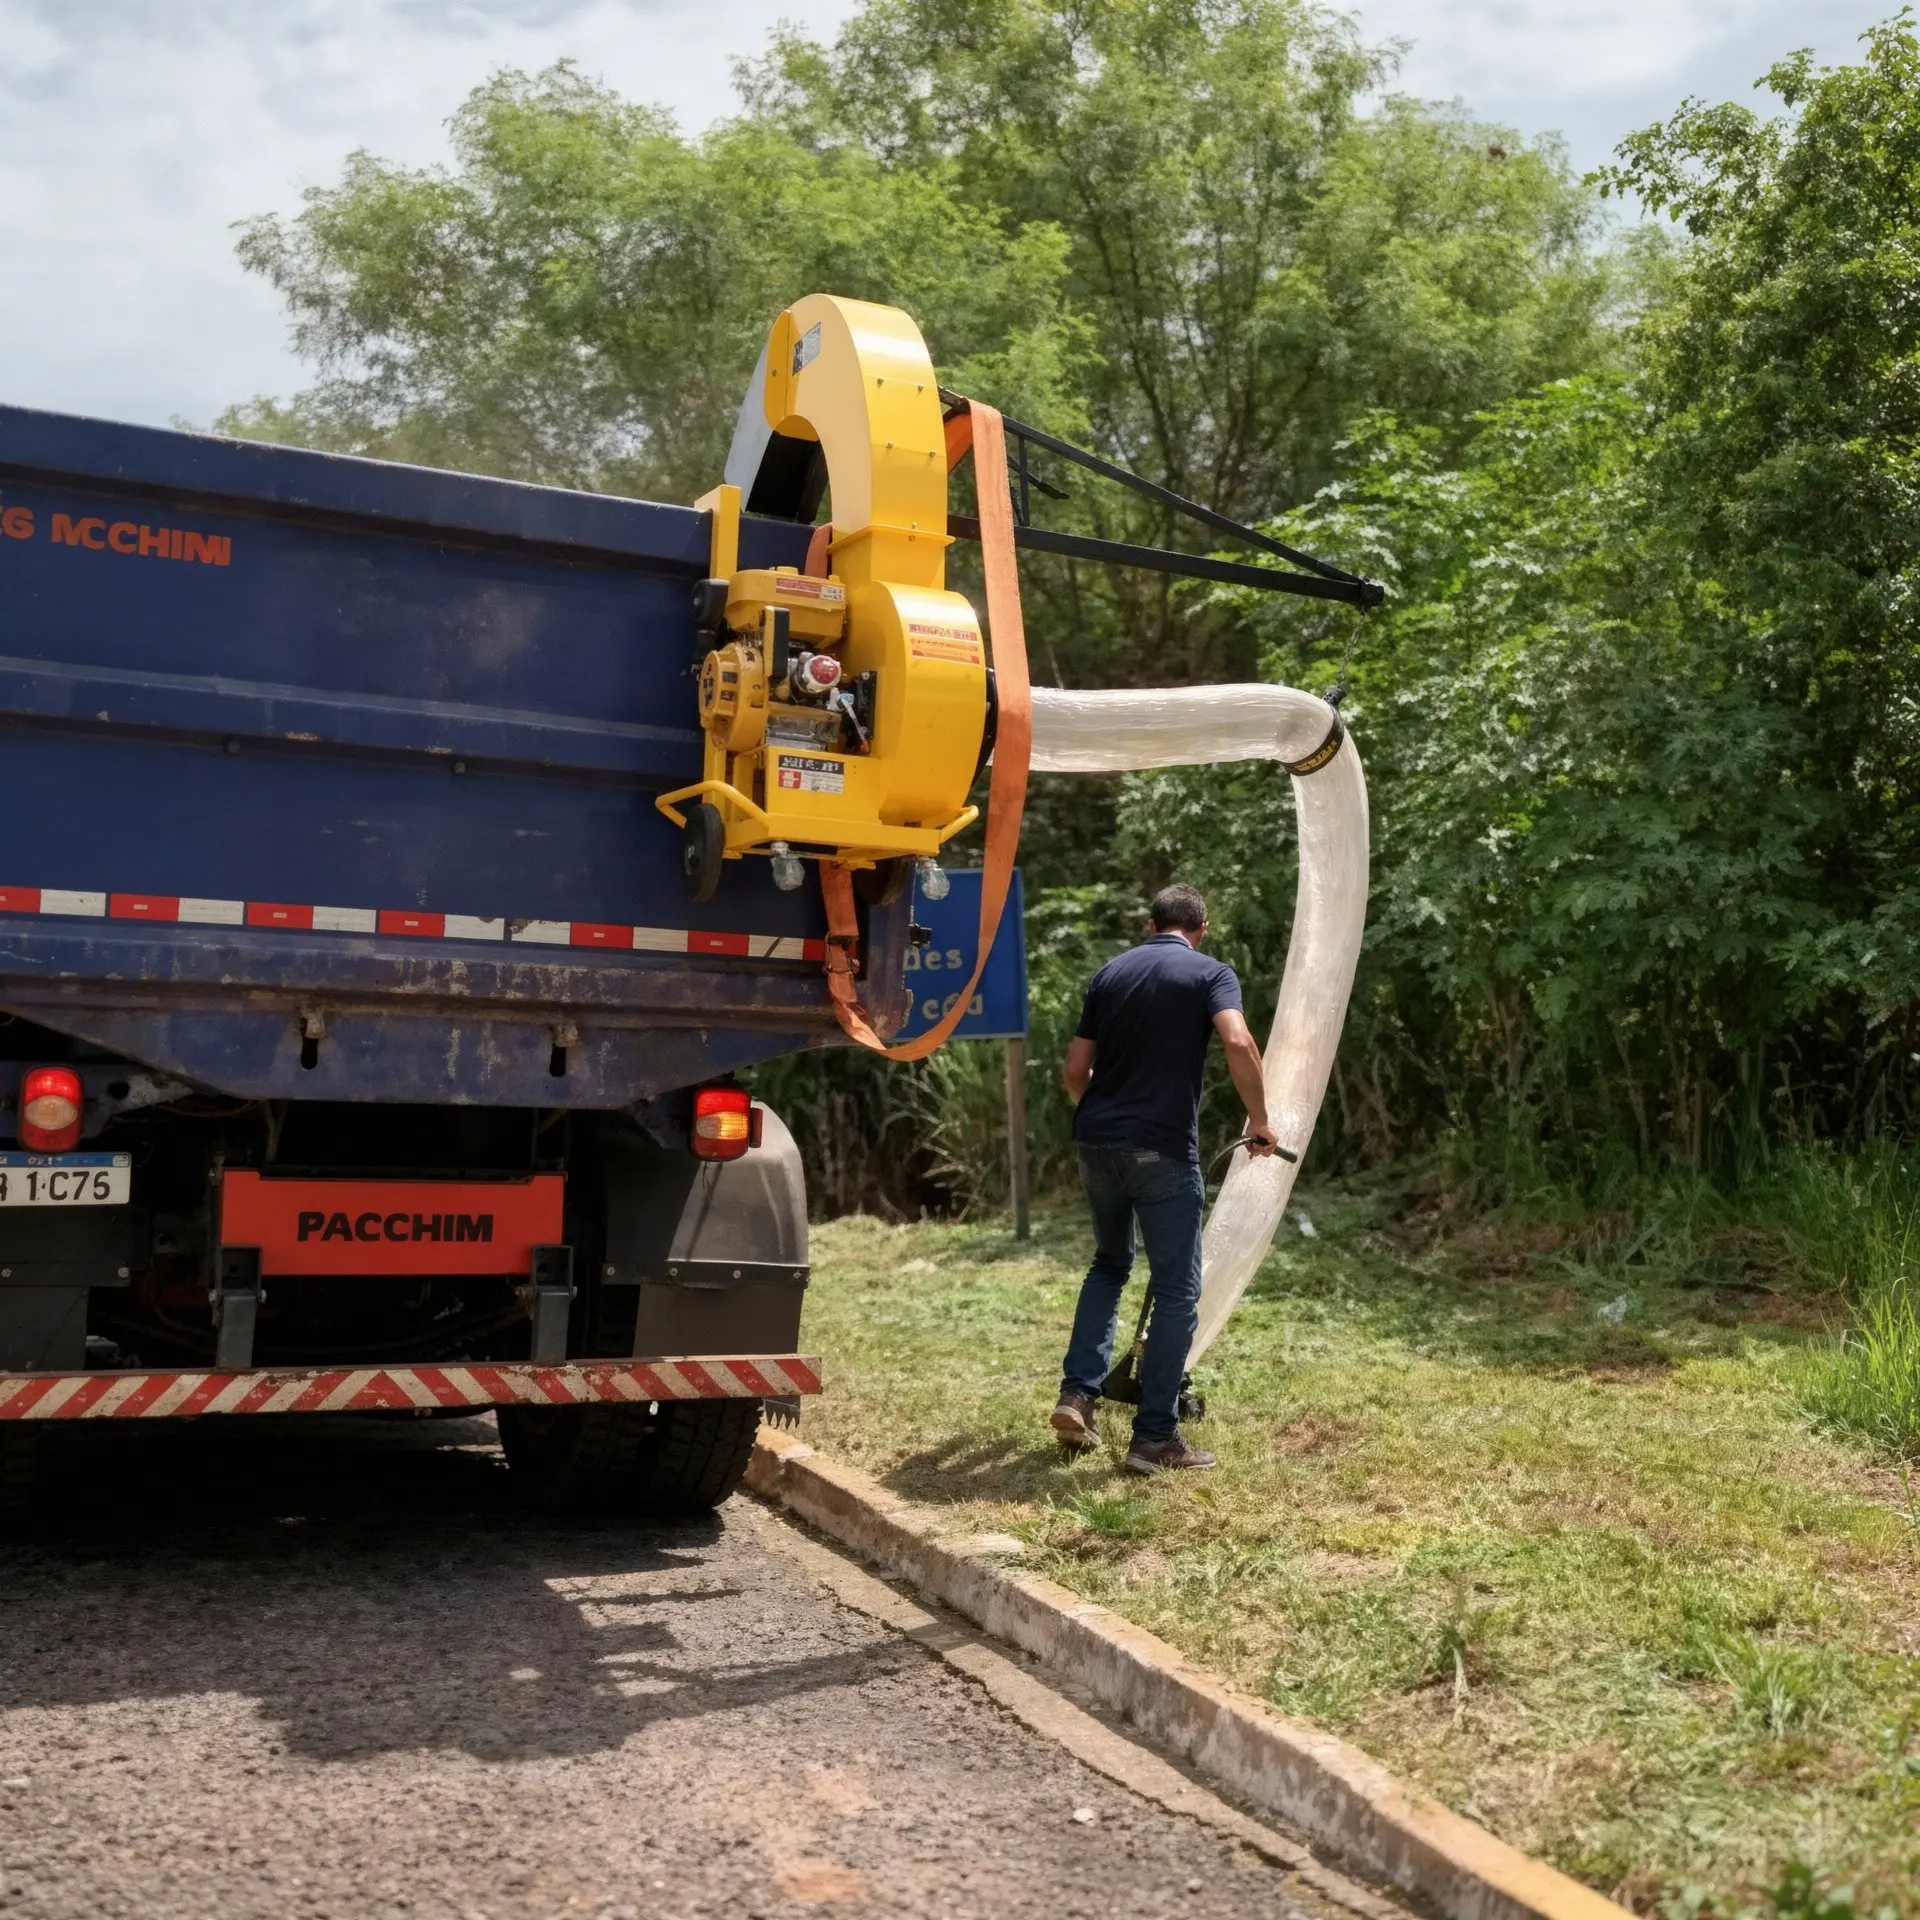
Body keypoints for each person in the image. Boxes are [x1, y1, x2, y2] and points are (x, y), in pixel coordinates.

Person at [1050, 882, 1276, 1474]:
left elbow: (1075, 1071)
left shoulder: (1110, 974)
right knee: (1178, 1289)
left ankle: (1078, 1396)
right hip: (1162, 1150)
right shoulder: (1210, 974)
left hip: (1095, 1141)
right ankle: (1154, 1437)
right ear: (1200, 930)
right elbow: (1237, 1039)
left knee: (1109, 1264)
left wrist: (1100, 1110)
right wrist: (1260, 1121)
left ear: (1151, 926)